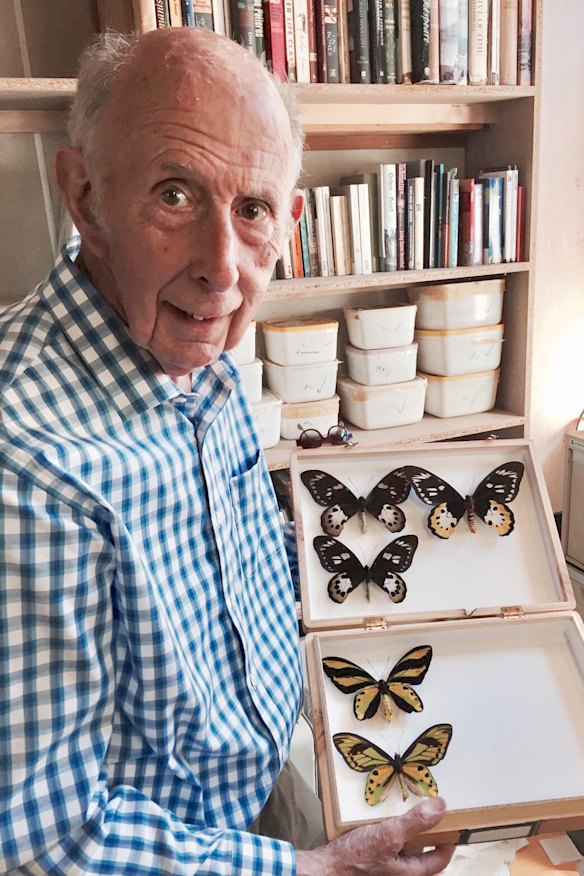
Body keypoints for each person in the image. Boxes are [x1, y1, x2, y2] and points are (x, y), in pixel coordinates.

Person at [0, 25, 455, 875]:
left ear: (290, 219)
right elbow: (45, 841)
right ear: (84, 194)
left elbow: (235, 561)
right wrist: (312, 870)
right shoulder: (24, 456)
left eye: (251, 211)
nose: (223, 267)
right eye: (175, 195)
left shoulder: (195, 348)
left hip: (268, 782)